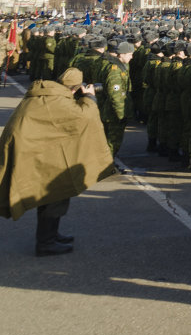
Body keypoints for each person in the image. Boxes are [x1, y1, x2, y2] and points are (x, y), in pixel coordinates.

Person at [0, 67, 112, 256]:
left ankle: (51, 234)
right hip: (41, 155)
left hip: (34, 151)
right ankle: (46, 243)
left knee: (51, 195)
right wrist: (90, 98)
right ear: (75, 88)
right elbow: (85, 118)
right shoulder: (58, 101)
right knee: (55, 194)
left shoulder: (45, 93)